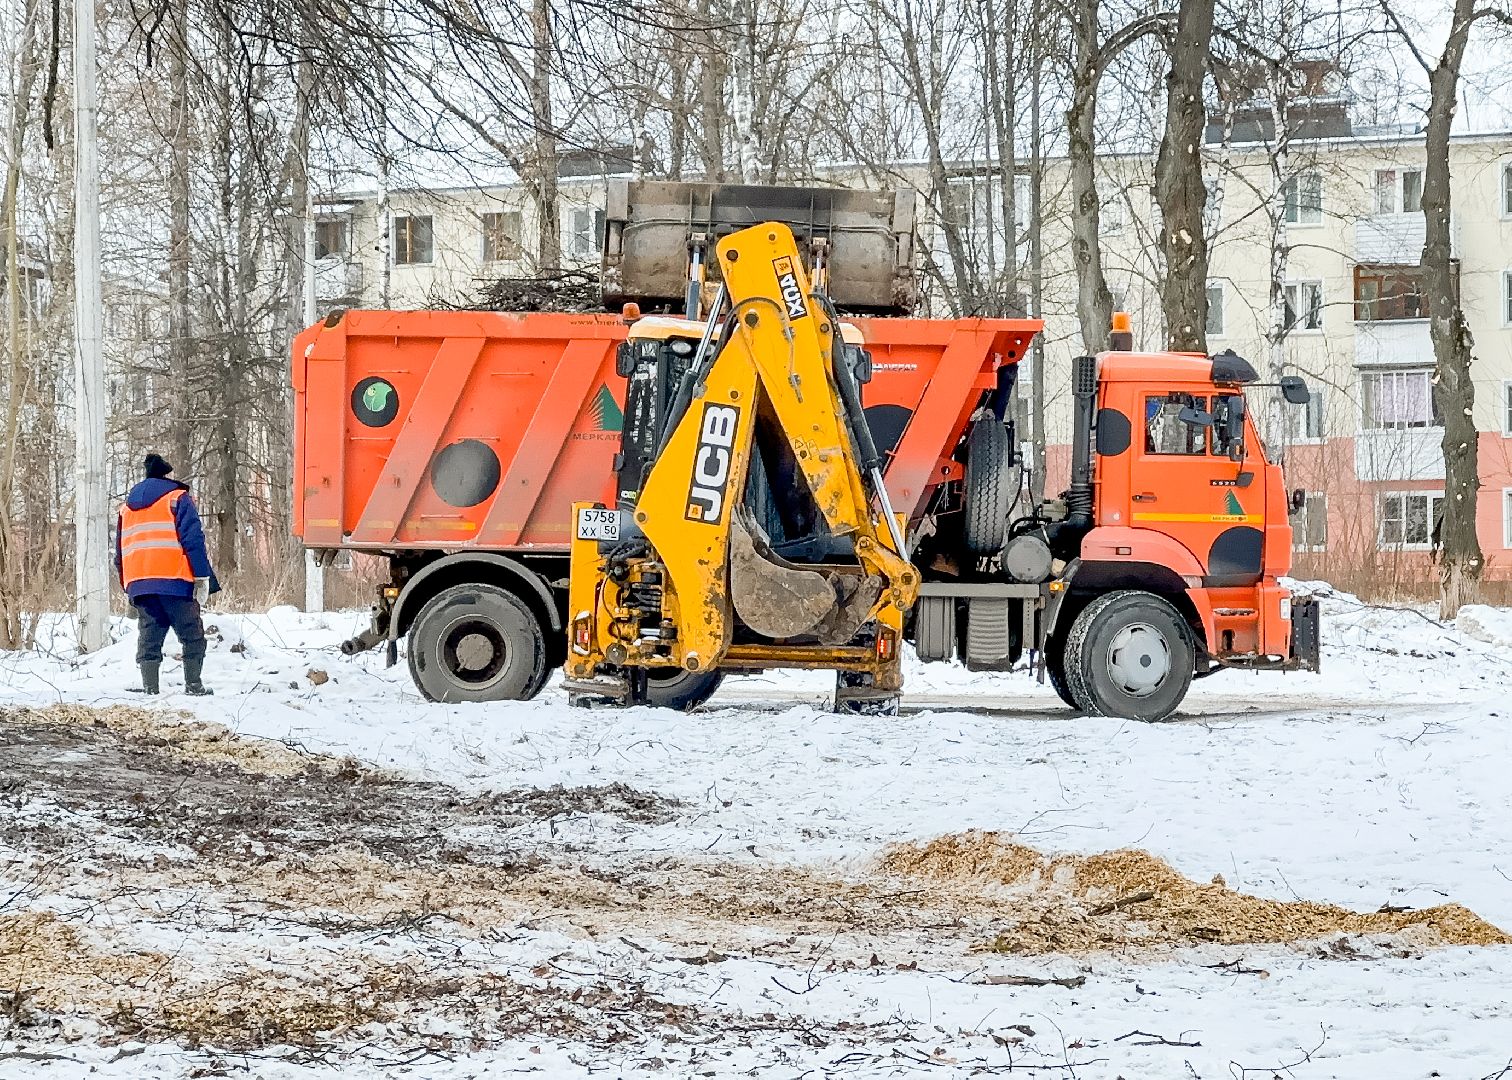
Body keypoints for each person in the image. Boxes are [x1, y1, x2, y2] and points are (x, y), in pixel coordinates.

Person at [115, 453, 220, 695]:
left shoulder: (126, 509)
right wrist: (201, 577)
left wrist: (128, 586)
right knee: (192, 634)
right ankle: (194, 685)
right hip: (175, 580)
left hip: (141, 583)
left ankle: (150, 688)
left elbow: (120, 552)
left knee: (149, 635)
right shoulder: (177, 498)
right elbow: (193, 539)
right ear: (166, 476)